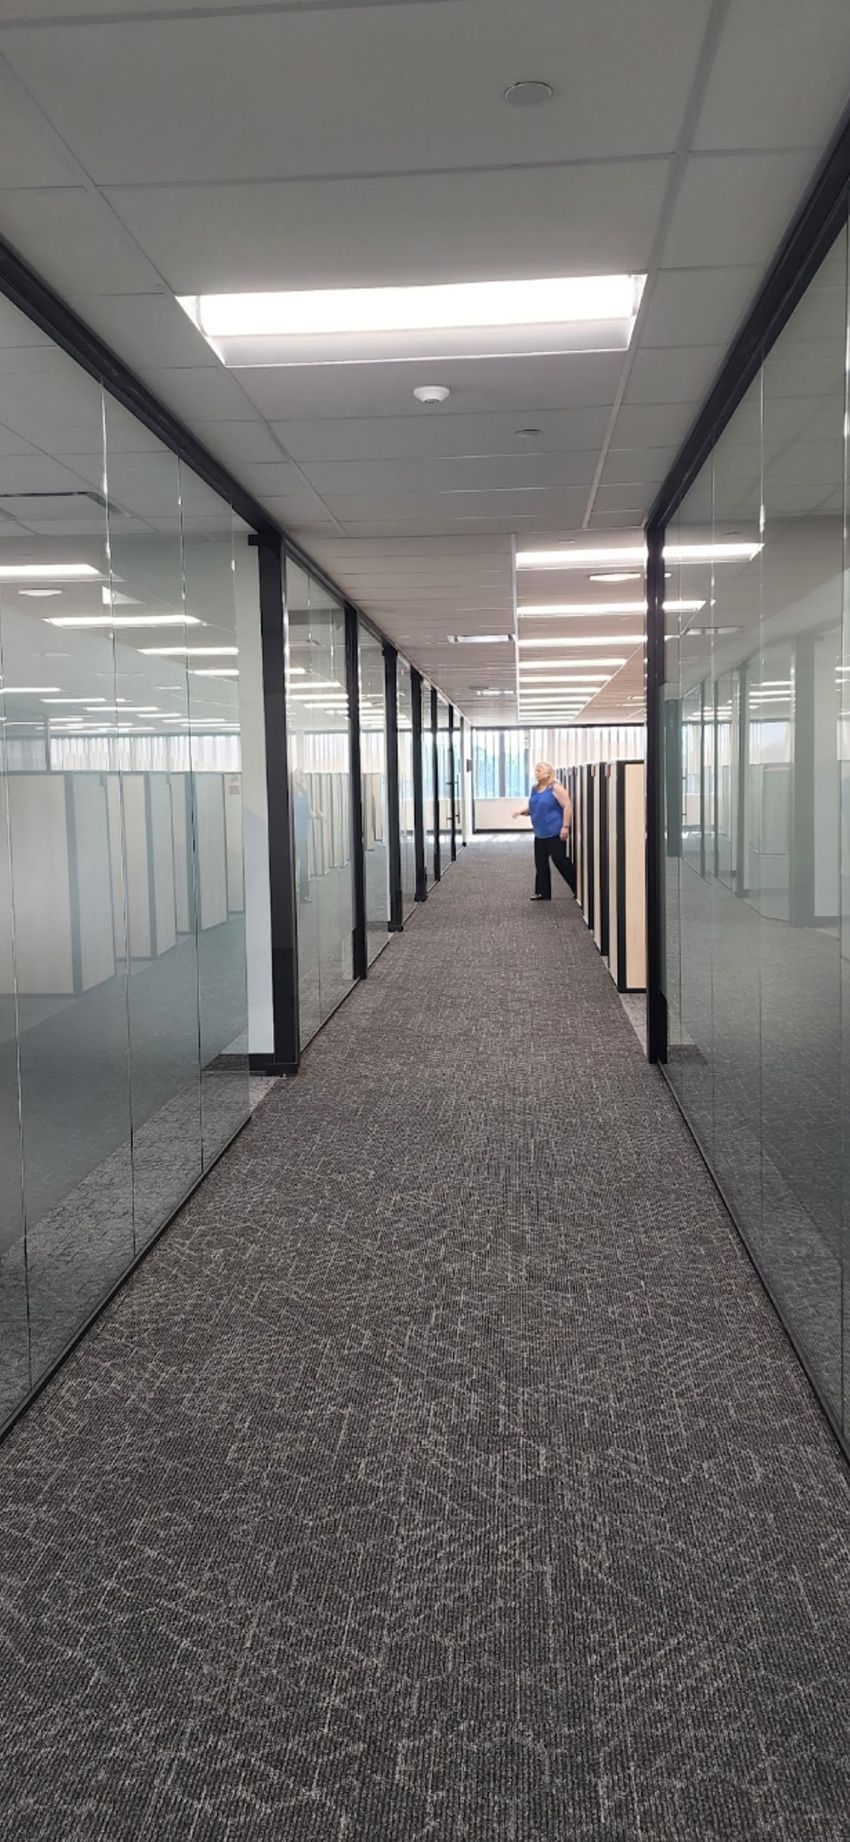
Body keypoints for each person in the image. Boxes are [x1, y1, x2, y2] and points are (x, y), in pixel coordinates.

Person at [514, 762, 572, 901]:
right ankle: (543, 892)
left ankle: (578, 889)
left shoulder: (555, 788)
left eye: (539, 770)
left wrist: (566, 826)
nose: (536, 773)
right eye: (536, 771)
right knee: (540, 863)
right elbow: (533, 806)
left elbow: (567, 805)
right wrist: (521, 812)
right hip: (540, 832)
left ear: (548, 773)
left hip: (554, 832)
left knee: (560, 861)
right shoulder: (535, 789)